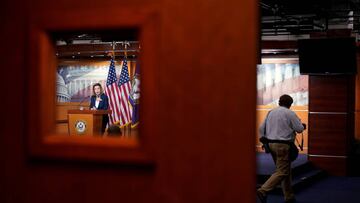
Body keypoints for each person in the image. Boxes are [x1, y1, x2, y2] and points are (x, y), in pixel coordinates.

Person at [257, 94, 306, 203]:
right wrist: (303, 126)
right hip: (283, 146)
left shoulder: (271, 112)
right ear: (290, 104)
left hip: (271, 145)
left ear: (279, 102)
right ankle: (262, 190)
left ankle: (289, 197)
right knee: (282, 171)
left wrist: (263, 140)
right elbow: (299, 129)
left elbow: (261, 128)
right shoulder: (290, 113)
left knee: (285, 171)